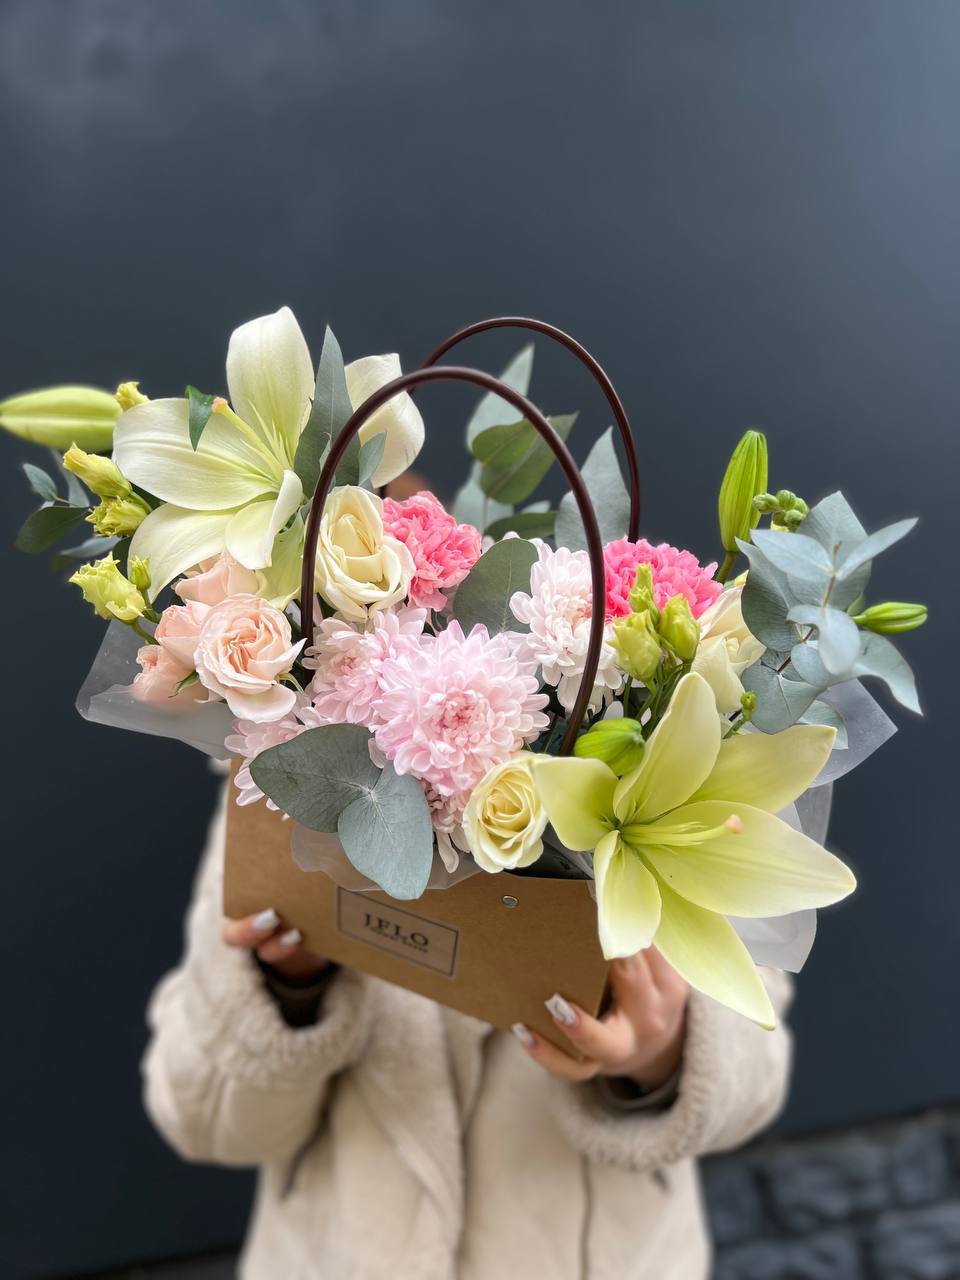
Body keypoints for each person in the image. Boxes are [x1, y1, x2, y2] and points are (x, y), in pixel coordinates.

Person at [143, 792, 792, 1279]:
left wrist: (662, 1054)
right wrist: (288, 988)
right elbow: (203, 1124)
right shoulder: (288, 761)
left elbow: (753, 1073)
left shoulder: (688, 749)